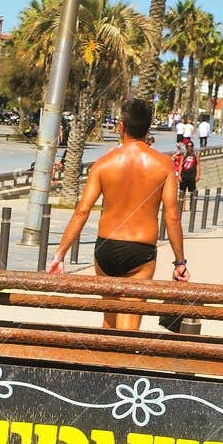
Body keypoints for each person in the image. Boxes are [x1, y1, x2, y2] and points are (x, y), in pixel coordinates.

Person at [48, 95, 188, 332]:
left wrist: (60, 255)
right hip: (141, 251)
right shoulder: (163, 165)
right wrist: (180, 261)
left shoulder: (103, 163)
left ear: (121, 127)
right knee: (129, 324)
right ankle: (122, 366)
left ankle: (105, 365)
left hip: (106, 249)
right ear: (147, 127)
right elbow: (172, 216)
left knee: (109, 318)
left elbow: (82, 211)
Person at [179, 138, 200, 202]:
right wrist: (179, 175)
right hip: (184, 175)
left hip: (192, 175)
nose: (189, 147)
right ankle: (182, 206)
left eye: (191, 146)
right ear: (186, 147)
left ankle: (192, 205)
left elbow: (198, 164)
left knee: (192, 192)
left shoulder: (196, 154)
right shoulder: (184, 154)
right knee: (182, 192)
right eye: (188, 146)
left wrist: (198, 175)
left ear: (193, 147)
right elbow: (181, 164)